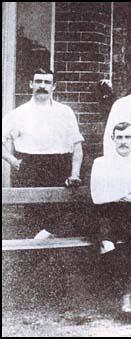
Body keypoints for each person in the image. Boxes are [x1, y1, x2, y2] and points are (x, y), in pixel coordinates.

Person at [2, 68, 84, 239]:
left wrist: (74, 174)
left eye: (47, 82)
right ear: (31, 84)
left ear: (54, 86)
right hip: (30, 168)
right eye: (38, 81)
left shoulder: (65, 112)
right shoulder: (18, 113)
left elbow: (77, 146)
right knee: (32, 222)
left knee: (60, 219)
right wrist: (14, 161)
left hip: (59, 166)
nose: (42, 86)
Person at [90, 122, 131, 318]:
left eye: (127, 137)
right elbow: (97, 197)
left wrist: (116, 194)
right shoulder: (100, 162)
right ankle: (129, 296)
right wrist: (129, 194)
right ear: (112, 139)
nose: (123, 142)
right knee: (108, 245)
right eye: (119, 137)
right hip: (107, 214)